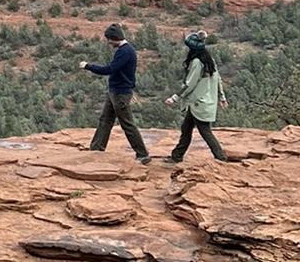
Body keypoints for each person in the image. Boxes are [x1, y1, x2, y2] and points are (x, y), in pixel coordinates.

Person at [80, 22, 149, 162]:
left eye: (109, 39)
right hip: (115, 92)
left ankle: (143, 154)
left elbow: (109, 69)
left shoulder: (125, 52)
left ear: (115, 38)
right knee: (105, 120)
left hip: (120, 94)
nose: (109, 42)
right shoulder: (124, 50)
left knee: (127, 124)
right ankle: (96, 148)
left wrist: (88, 66)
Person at [164, 30, 230, 163]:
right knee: (186, 128)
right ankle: (177, 156)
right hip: (203, 103)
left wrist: (175, 98)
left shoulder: (196, 63)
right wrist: (222, 97)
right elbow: (218, 80)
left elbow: (189, 84)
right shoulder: (209, 60)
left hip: (199, 103)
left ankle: (221, 157)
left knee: (205, 131)